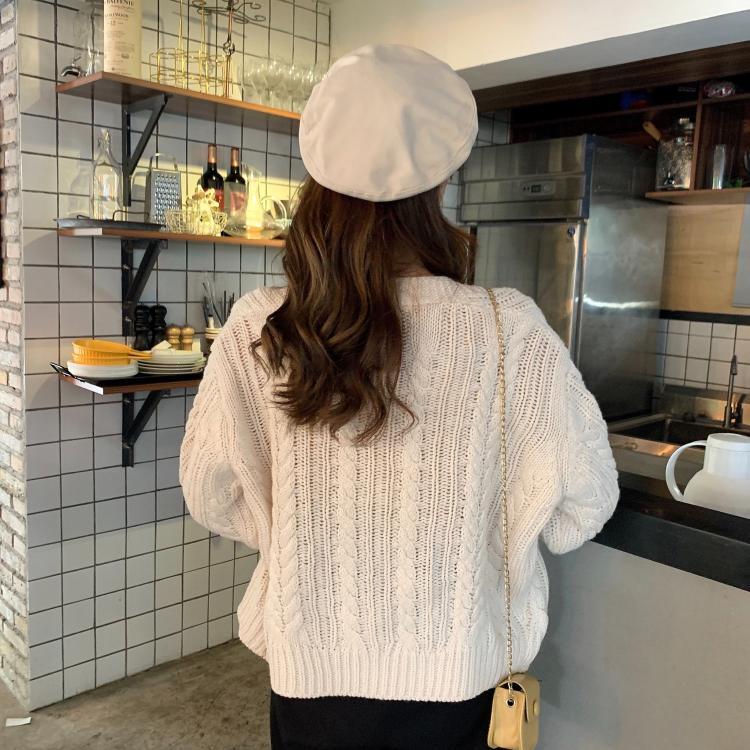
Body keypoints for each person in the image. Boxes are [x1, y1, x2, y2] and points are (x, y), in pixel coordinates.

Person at [179, 44, 619, 750]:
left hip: (310, 678)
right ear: (439, 182)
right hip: (457, 682)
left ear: (318, 176)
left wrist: (306, 539)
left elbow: (210, 489)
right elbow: (584, 503)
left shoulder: (261, 327)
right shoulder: (507, 328)